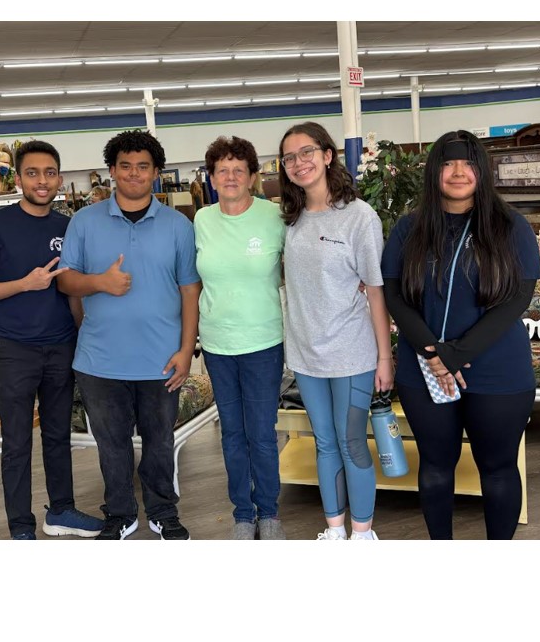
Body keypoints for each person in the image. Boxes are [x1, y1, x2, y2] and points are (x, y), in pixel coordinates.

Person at [380, 130, 540, 540]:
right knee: (435, 465)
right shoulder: (409, 228)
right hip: (424, 370)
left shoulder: (511, 226)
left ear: (482, 171)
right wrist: (435, 355)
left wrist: (456, 354)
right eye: (449, 163)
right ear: (435, 171)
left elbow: (518, 298)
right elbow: (395, 295)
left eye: (468, 163)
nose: (458, 172)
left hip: (498, 371)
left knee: (499, 467)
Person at [58, 129, 201, 540]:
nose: (133, 174)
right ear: (111, 172)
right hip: (100, 359)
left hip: (161, 358)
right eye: (125, 166)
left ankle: (162, 511)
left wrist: (186, 350)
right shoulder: (84, 222)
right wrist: (100, 282)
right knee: (112, 445)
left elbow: (190, 290)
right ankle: (120, 513)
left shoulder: (178, 225)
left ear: (156, 173)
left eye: (143, 167)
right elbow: (66, 282)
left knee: (159, 442)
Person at [0, 139, 104, 540]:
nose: (42, 182)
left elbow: (73, 291)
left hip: (61, 346)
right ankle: (21, 527)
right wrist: (26, 283)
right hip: (14, 351)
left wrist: (82, 336)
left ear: (59, 177)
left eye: (50, 173)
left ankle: (61, 511)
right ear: (19, 178)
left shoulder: (68, 227)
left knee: (59, 436)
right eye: (32, 173)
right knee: (17, 441)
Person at [278, 121, 394, 541]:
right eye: (289, 157)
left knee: (351, 444)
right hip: (306, 355)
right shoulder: (289, 219)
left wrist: (384, 358)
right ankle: (335, 532)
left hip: (352, 353)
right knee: (324, 443)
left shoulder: (359, 217)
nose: (298, 163)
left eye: (306, 152)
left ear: (328, 155)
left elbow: (377, 293)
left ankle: (362, 534)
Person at [193, 135, 287, 540]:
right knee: (232, 434)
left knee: (262, 433)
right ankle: (242, 514)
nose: (230, 176)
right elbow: (191, 282)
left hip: (263, 342)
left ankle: (269, 512)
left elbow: (300, 266)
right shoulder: (201, 221)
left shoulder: (275, 217)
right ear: (211, 178)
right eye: (222, 170)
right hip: (216, 345)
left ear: (252, 177)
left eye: (239, 169)